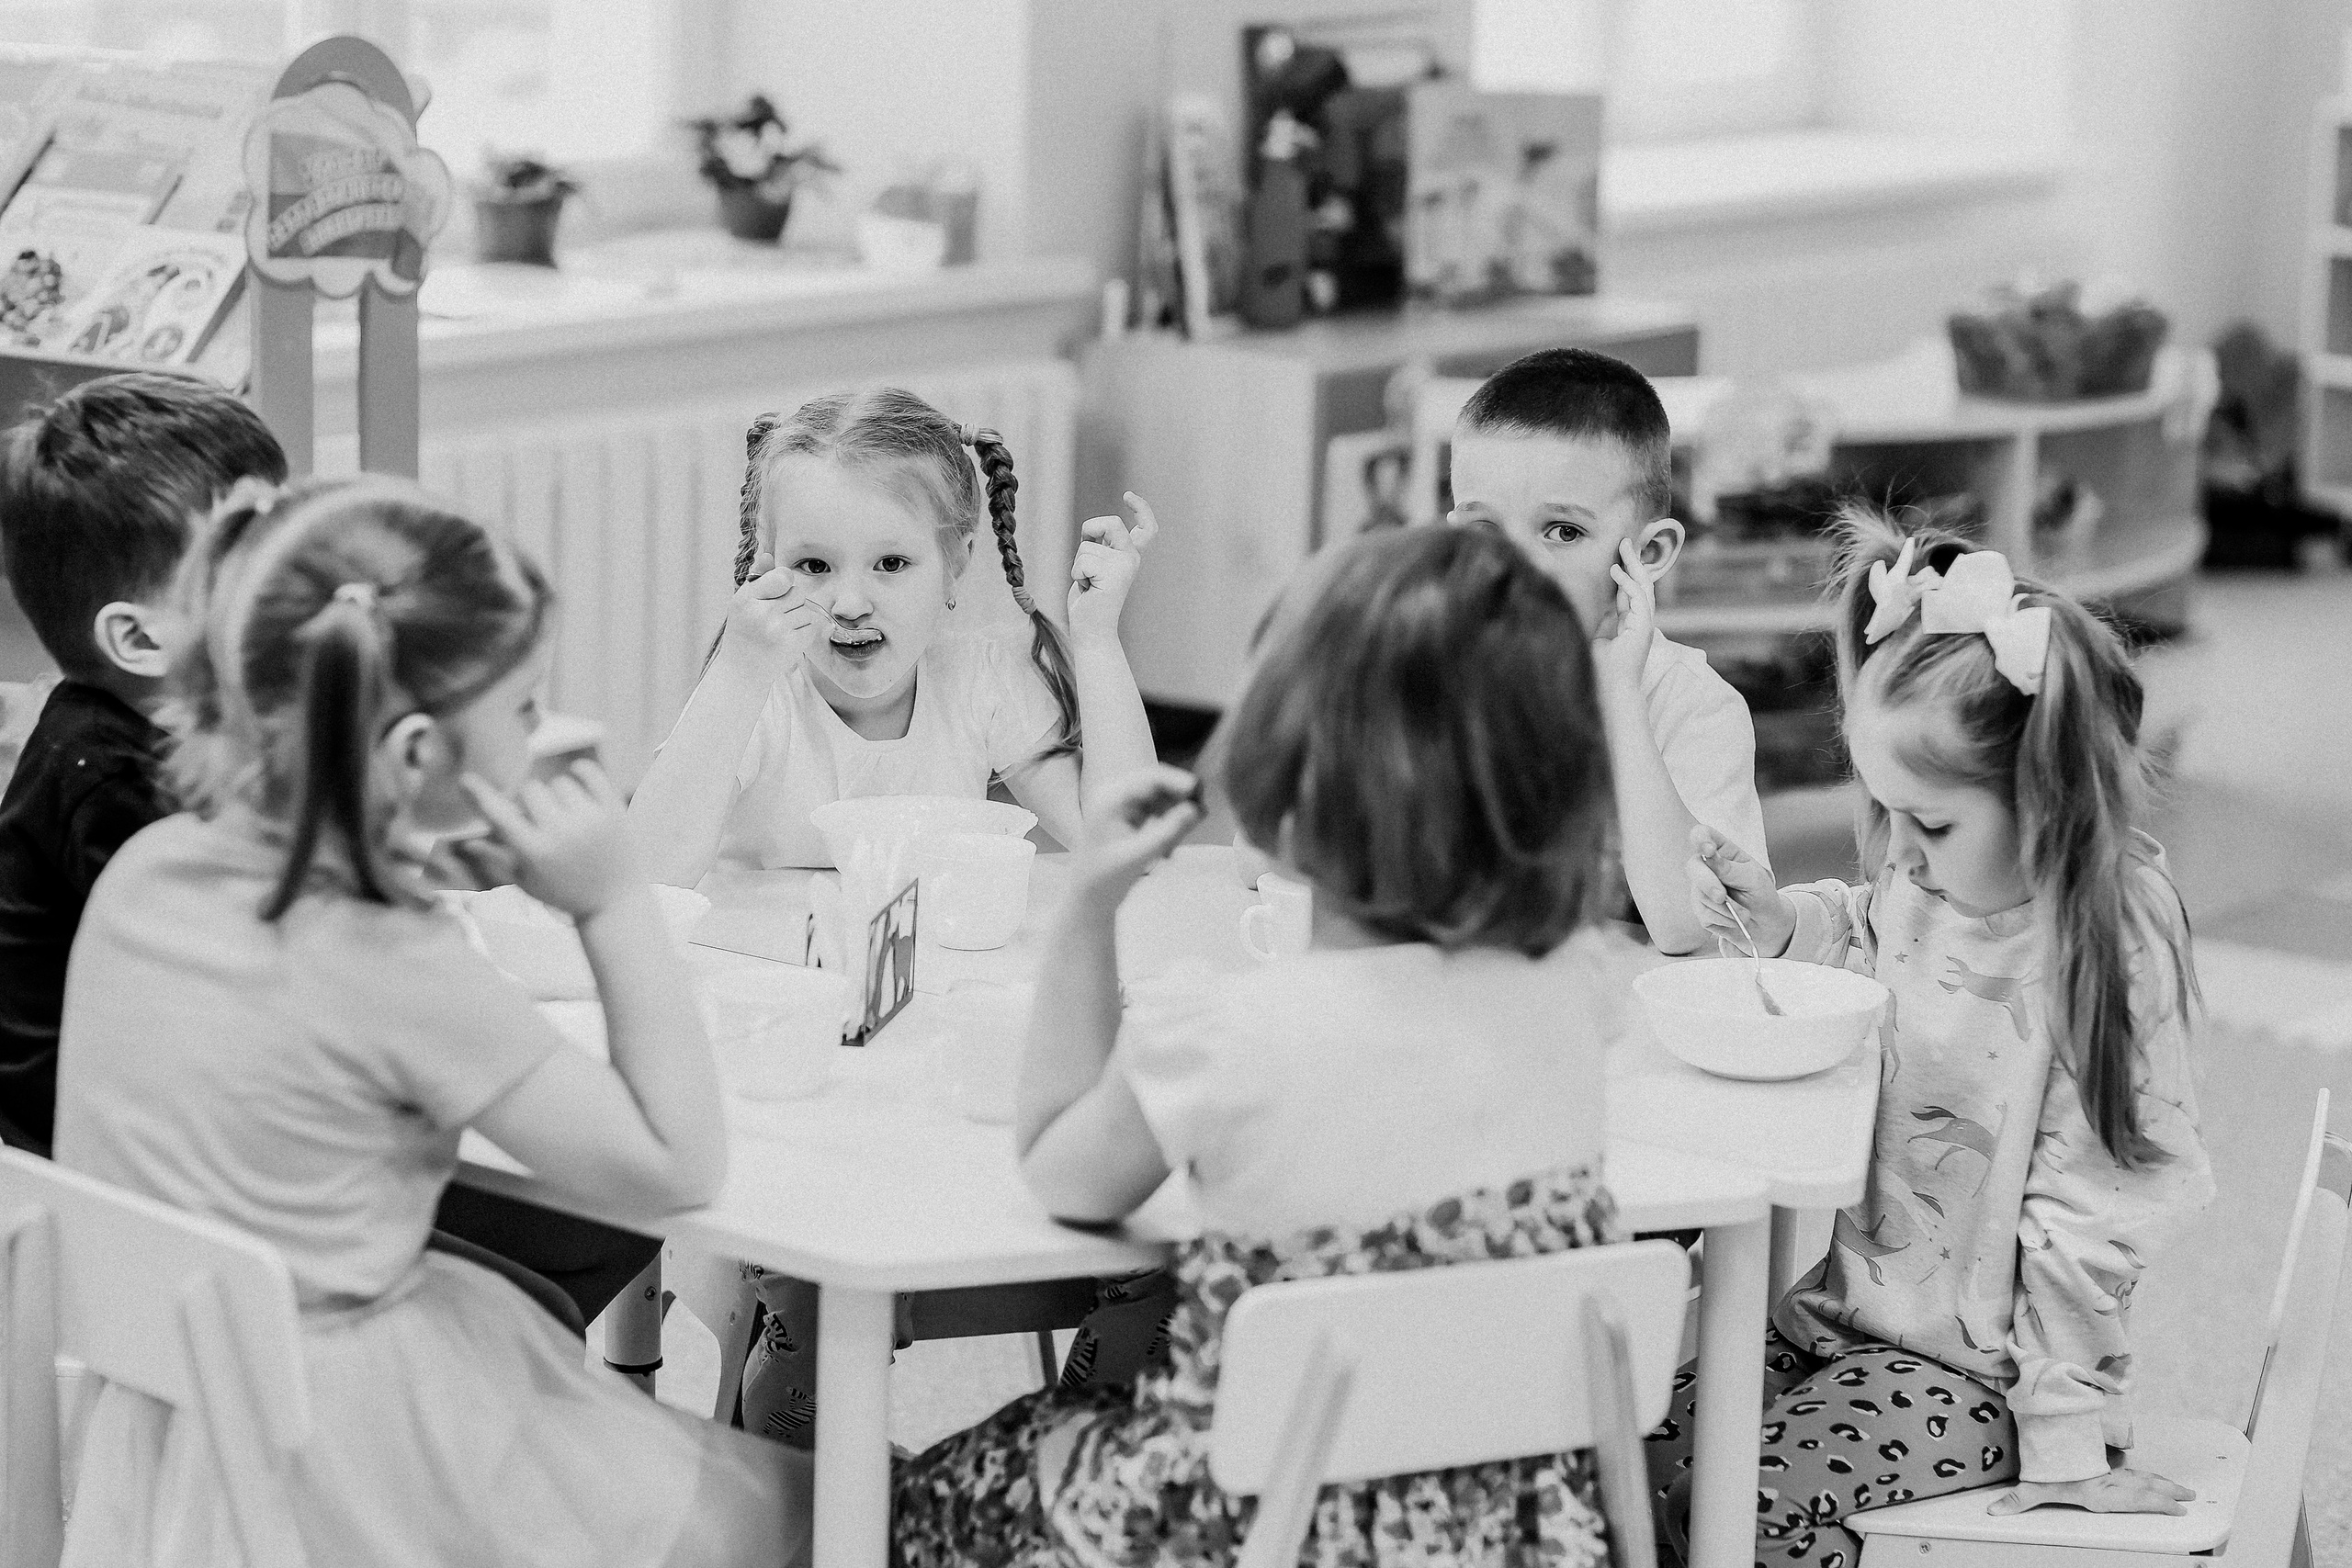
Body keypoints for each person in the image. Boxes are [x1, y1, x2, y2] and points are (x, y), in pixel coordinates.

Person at [52, 477, 808, 1566]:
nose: (542, 734)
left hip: (175, 1448)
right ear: (411, 758)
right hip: (348, 1462)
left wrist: (410, 847)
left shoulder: (149, 871)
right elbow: (677, 1169)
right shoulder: (393, 958)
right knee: (826, 1504)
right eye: (524, 710)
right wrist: (613, 904)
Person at [893, 524, 1631, 1568]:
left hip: (1252, 1532)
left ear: (1281, 774)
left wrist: (1091, 904)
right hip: (1509, 1536)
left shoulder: (1225, 1035)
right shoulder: (1582, 987)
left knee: (926, 1489)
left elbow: (1063, 1172)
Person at [0, 374, 655, 1329]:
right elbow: (289, 977)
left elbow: (308, 885)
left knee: (599, 1231)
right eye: (245, 556)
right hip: (137, 1210)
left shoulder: (195, 746)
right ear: (140, 637)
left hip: (208, 1165)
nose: (296, 578)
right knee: (533, 1295)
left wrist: (431, 861)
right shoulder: (117, 782)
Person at [1664, 509, 2215, 1568]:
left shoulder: (2108, 938)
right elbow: (1876, 930)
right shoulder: (1936, 883)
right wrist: (1781, 921)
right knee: (1623, 1445)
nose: (1903, 855)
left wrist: (2064, 1446)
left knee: (1734, 1511)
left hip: (1981, 1383)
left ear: (2044, 795)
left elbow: (2098, 1217)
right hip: (1842, 1322)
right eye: (1884, 813)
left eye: (1933, 824)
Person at [629, 386, 1159, 880]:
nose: (851, 605)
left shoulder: (982, 683)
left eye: (891, 563)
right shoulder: (763, 696)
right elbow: (644, 878)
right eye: (814, 565)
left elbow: (1125, 849)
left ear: (957, 561)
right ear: (767, 564)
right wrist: (738, 671)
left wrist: (1097, 641)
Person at [0, 372, 285, 1156]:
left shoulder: (183, 719)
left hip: (150, 1115)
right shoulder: (111, 779)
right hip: (100, 1166)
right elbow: (244, 980)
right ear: (142, 639)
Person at [1447, 346, 1768, 954]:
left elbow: (1688, 925)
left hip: (1628, 1021)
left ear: (1646, 556)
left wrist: (1617, 689)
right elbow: (1281, 860)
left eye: (1562, 531)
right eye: (1484, 528)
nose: (1516, 565)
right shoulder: (1432, 671)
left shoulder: (1693, 707)